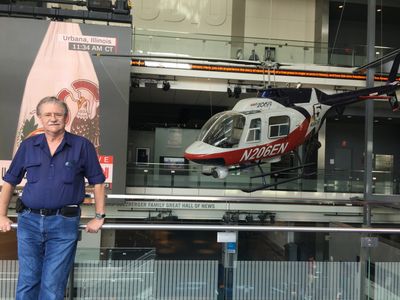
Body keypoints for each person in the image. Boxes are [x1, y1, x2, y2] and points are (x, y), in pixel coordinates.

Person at [0, 96, 106, 300]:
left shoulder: (82, 146)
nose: (53, 118)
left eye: (58, 114)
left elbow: (98, 182)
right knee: (27, 280)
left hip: (64, 222)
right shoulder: (28, 145)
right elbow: (9, 182)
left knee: (53, 284)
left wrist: (99, 216)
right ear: (40, 117)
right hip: (28, 221)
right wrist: (2, 215)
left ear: (66, 118)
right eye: (48, 114)